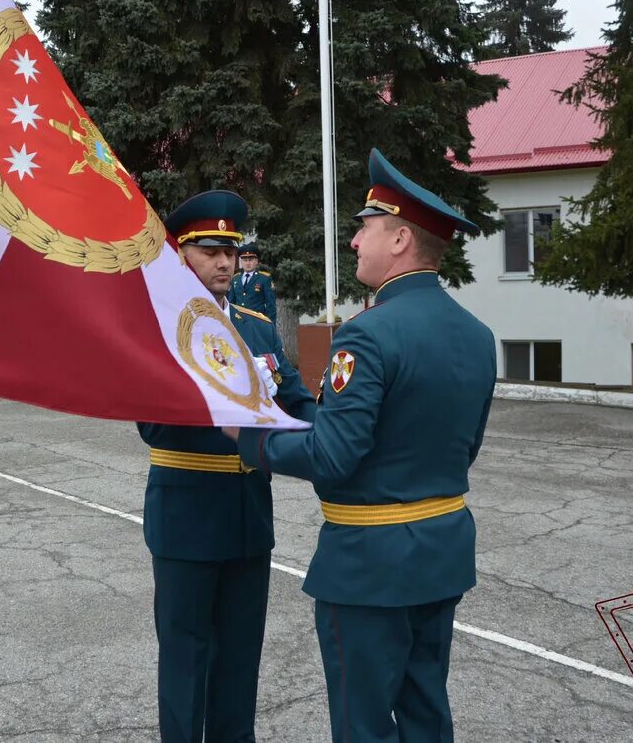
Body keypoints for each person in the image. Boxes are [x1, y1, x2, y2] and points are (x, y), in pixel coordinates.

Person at [225, 149, 497, 743]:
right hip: (442, 551)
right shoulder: (478, 336)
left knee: (363, 724)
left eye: (364, 228)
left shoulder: (368, 335)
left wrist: (249, 439)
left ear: (400, 239)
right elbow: (464, 448)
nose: (354, 242)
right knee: (426, 712)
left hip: (371, 564)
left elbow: (332, 456)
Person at [139, 189, 318, 742]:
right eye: (210, 250)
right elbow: (153, 425)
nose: (224, 262)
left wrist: (342, 431)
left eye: (231, 250)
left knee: (241, 662)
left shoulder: (257, 327)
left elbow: (298, 403)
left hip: (247, 517)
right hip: (187, 514)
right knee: (186, 659)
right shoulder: (160, 329)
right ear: (183, 255)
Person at [227, 243, 276, 321]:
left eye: (250, 260)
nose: (247, 263)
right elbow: (231, 303)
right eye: (245, 260)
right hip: (238, 322)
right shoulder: (235, 278)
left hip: (257, 322)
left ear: (256, 261)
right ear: (241, 261)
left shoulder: (264, 278)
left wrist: (269, 328)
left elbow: (271, 306)